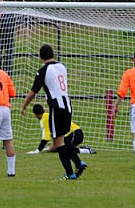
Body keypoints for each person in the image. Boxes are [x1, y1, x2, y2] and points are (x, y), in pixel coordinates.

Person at [21, 44, 85, 180]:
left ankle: (70, 173)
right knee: (63, 139)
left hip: (56, 107)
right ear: (53, 54)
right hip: (68, 105)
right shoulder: (62, 66)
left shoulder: (43, 71)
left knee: (58, 142)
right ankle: (79, 163)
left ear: (40, 56)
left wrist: (24, 106)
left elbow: (33, 92)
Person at [26, 104, 96, 155]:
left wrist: (38, 150)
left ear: (36, 114)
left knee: (65, 150)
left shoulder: (44, 119)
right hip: (70, 134)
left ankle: (87, 150)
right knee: (54, 149)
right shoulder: (47, 115)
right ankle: (83, 148)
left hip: (75, 133)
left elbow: (46, 137)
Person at [0, 0, 15, 75]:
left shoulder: (8, 12)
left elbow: (9, 24)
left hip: (9, 36)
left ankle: (7, 70)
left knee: (8, 54)